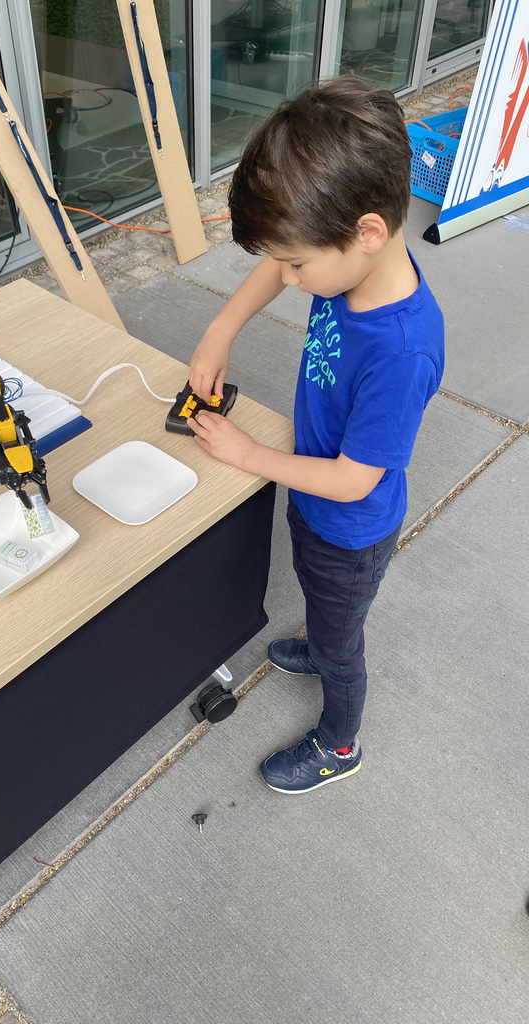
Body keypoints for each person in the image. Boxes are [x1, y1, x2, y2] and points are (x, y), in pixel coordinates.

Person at [188, 77, 445, 794]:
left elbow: (357, 478)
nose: (292, 279)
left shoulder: (401, 348)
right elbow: (277, 260)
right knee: (317, 592)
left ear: (366, 232)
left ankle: (340, 743)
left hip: (351, 525)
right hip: (319, 501)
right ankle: (317, 637)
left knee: (342, 639)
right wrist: (220, 328)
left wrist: (249, 455)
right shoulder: (347, 264)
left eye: (300, 265)